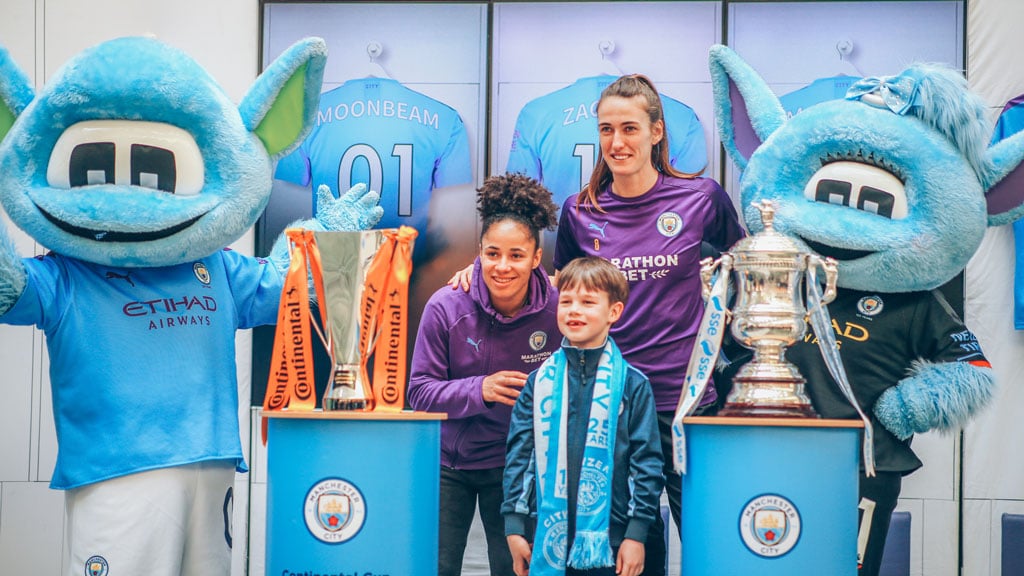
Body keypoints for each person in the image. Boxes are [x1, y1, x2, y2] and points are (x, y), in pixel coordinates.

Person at [409, 173, 562, 576]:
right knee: (435, 568)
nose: (503, 266)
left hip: (518, 468)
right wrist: (482, 389)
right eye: (493, 254)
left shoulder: (560, 311)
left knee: (515, 569)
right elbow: (419, 393)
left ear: (535, 257)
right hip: (448, 466)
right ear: (479, 252)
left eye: (516, 255)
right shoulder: (446, 306)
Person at [502, 256, 663, 576]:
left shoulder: (633, 383)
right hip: (547, 536)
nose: (575, 310)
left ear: (613, 312)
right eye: (566, 301)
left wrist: (635, 535)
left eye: (588, 302)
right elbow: (520, 455)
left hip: (612, 540)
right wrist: (514, 526)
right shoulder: (539, 382)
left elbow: (647, 464)